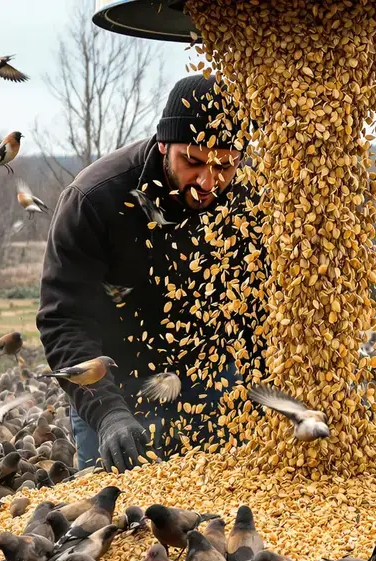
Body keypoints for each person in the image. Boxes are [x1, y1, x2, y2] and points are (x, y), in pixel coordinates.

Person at [38, 74, 246, 472]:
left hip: (216, 387)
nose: (208, 183)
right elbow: (64, 319)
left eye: (224, 166)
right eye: (193, 161)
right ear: (164, 144)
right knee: (111, 522)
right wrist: (108, 414)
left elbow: (265, 305)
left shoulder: (249, 198)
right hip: (119, 387)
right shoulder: (95, 199)